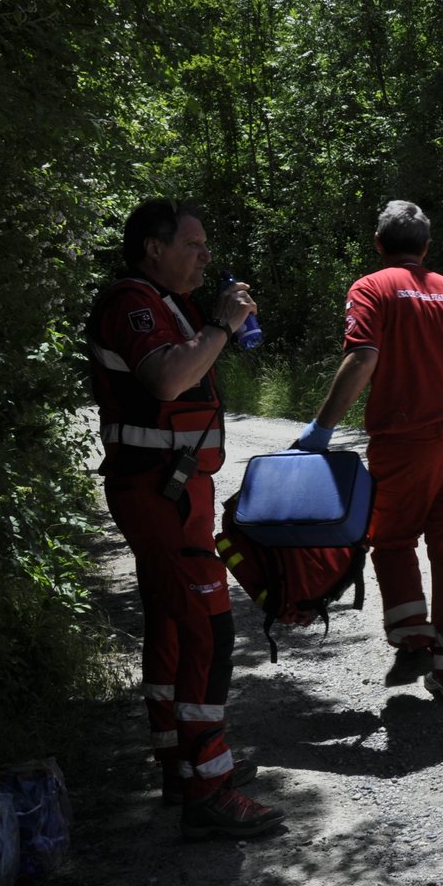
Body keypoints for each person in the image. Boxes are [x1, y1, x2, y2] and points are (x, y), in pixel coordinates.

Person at [87, 199, 282, 840]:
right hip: (156, 492)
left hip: (174, 490)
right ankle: (209, 791)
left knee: (173, 625)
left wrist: (218, 328)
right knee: (209, 632)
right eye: (193, 245)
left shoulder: (168, 304)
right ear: (153, 248)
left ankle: (181, 763)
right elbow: (169, 381)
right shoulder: (132, 304)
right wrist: (222, 328)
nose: (204, 255)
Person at [292, 201, 443, 701]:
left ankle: (412, 635)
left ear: (379, 244)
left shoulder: (371, 288)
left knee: (391, 538)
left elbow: (364, 356)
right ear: (426, 246)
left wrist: (322, 427)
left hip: (403, 442)